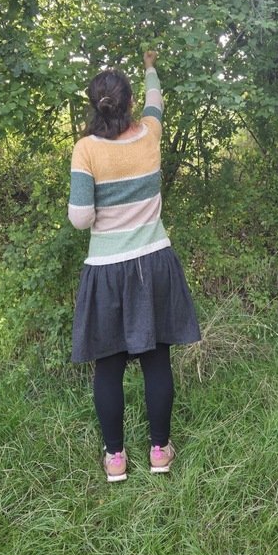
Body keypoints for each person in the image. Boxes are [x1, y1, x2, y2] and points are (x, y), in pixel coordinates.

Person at [68, 51, 201, 482]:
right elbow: (156, 102)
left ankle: (115, 458)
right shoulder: (149, 134)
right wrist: (150, 67)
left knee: (108, 366)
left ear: (94, 105)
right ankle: (159, 451)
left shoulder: (86, 150)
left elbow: (80, 218)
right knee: (156, 360)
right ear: (129, 103)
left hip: (107, 270)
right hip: (154, 262)